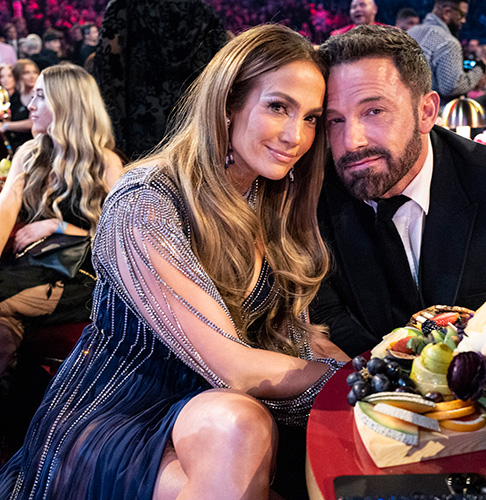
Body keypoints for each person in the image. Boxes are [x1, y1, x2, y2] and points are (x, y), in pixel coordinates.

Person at [0, 25, 347, 500]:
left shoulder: (273, 200)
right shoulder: (146, 199)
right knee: (238, 422)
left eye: (311, 118)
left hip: (206, 413)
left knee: (240, 425)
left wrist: (380, 372)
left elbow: (293, 336)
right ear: (227, 105)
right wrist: (356, 381)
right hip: (116, 410)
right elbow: (235, 369)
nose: (295, 136)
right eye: (278, 107)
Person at [312, 25, 486, 357]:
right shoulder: (314, 197)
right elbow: (330, 317)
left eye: (374, 111)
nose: (352, 142)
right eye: (335, 120)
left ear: (427, 112)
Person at [0, 63, 122, 387]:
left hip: (80, 277)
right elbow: (4, 213)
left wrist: (57, 226)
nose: (30, 105)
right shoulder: (29, 152)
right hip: (33, 268)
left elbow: (119, 238)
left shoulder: (106, 162)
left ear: (66, 103)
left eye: (41, 96)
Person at [93, 0, 229, 159]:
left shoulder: (123, 8)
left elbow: (108, 75)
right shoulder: (206, 13)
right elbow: (222, 77)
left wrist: (115, 140)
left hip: (138, 136)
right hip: (193, 132)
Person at [408, 0, 486, 105]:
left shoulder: (411, 32)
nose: (463, 20)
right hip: (431, 114)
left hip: (406, 108)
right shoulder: (448, 42)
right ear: (447, 12)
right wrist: (479, 69)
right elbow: (452, 87)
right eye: (462, 15)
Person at [2, 59, 37, 153]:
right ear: (18, 76)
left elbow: (33, 122)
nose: (32, 76)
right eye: (26, 72)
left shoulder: (39, 96)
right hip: (16, 147)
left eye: (35, 72)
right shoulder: (14, 97)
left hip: (34, 146)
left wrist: (6, 126)